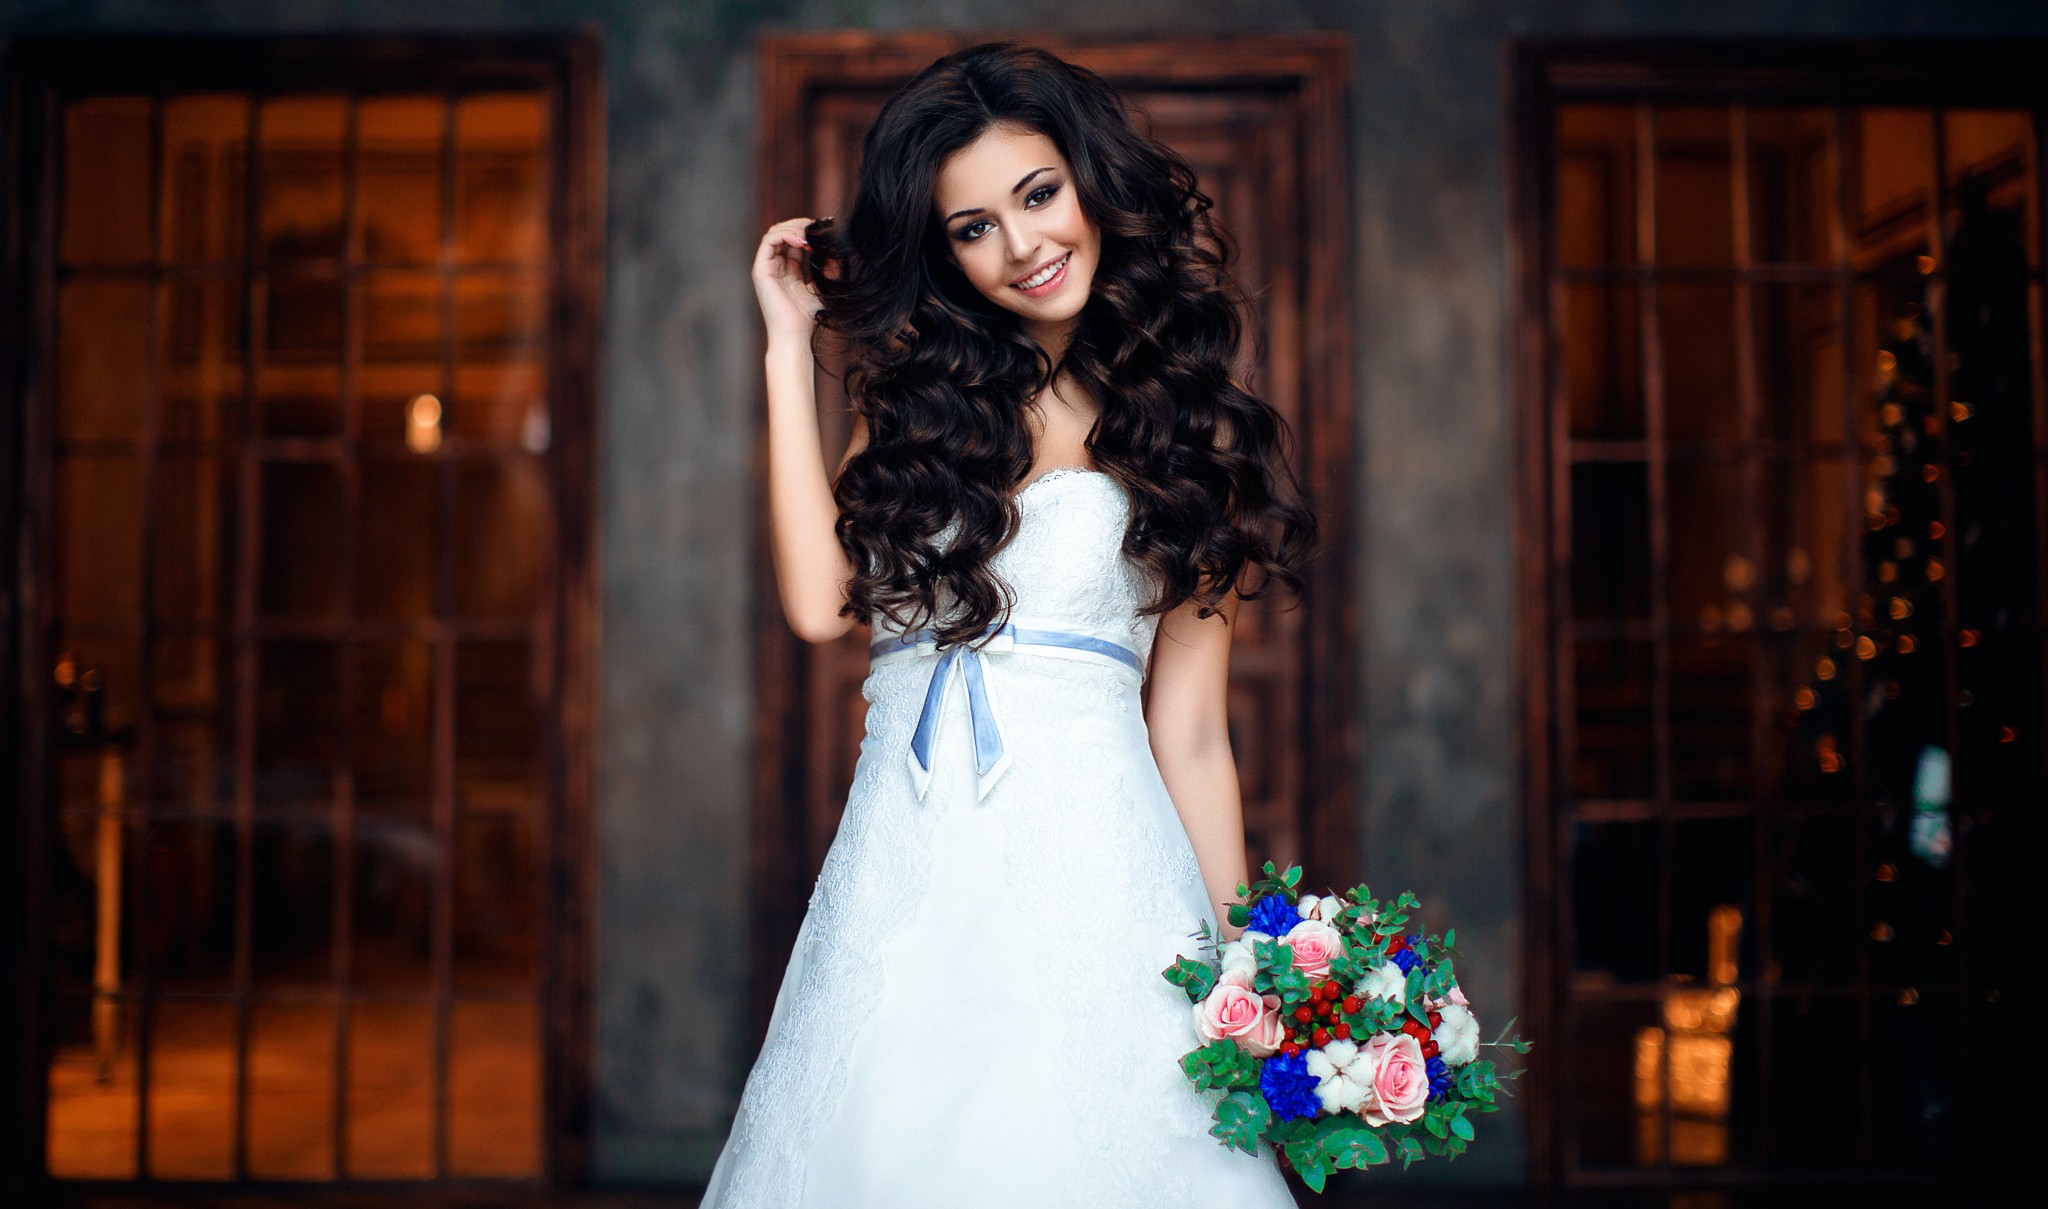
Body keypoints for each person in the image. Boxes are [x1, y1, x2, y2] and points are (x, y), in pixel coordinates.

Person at [702, 41, 1318, 1208]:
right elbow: (811, 602)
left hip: (1103, 869)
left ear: (1089, 182)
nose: (1023, 245)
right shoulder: (917, 410)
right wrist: (789, 346)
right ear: (942, 254)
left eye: (1037, 194)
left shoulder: (1187, 442)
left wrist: (1250, 972)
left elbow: (1189, 737)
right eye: (973, 226)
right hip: (905, 861)